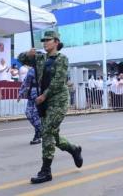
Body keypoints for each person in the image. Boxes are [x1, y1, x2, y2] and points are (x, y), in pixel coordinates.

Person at [18, 30, 83, 184]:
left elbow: (58, 81)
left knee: (46, 131)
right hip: (44, 101)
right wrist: (29, 53)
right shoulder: (40, 58)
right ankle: (74, 149)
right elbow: (20, 59)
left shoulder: (62, 59)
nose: (45, 42)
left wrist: (44, 96)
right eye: (44, 40)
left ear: (56, 42)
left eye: (48, 40)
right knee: (53, 135)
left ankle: (46, 171)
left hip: (58, 100)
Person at [17, 67, 42, 145]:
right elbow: (26, 82)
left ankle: (38, 134)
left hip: (40, 95)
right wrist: (20, 93)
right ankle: (40, 130)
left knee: (35, 115)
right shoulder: (32, 69)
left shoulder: (45, 68)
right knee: (28, 114)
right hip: (31, 95)